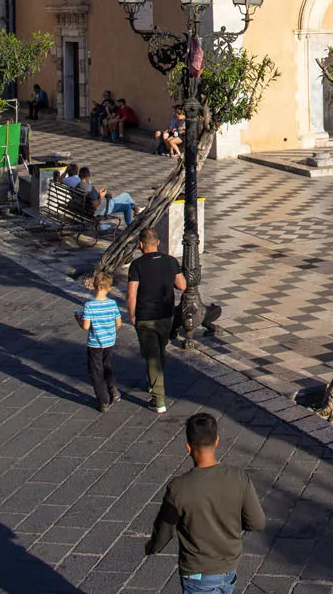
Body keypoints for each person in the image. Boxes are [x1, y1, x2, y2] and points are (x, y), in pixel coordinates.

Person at [145, 411, 267, 594]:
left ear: (188, 447)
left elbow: (165, 529)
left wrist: (152, 547)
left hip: (197, 574)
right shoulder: (239, 477)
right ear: (216, 441)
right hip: (229, 570)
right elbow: (257, 523)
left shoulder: (178, 488)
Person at [127, 229, 187, 413]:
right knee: (160, 350)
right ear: (158, 242)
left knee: (152, 356)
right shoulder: (170, 261)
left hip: (146, 317)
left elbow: (131, 294)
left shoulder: (137, 265)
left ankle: (158, 399)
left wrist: (131, 314)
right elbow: (182, 285)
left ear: (141, 244)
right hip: (166, 315)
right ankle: (155, 380)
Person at [74, 272, 122, 411]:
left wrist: (78, 319)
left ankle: (103, 400)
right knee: (107, 365)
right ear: (109, 288)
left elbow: (86, 326)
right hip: (109, 341)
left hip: (95, 343)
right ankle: (113, 390)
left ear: (94, 286)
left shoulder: (89, 306)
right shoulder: (112, 304)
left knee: (96, 371)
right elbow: (118, 323)